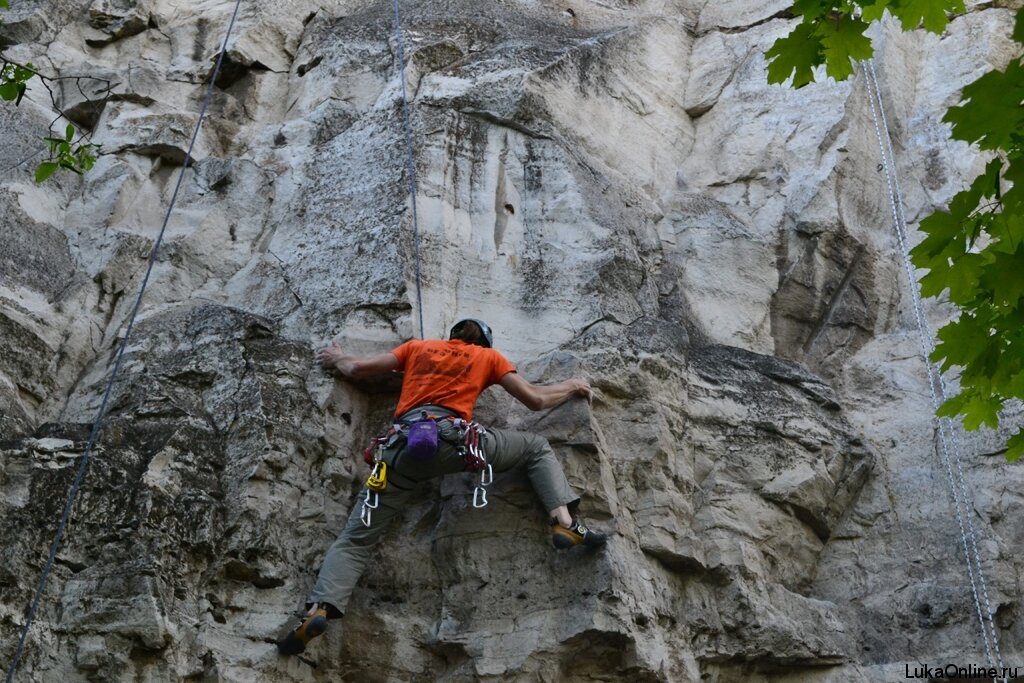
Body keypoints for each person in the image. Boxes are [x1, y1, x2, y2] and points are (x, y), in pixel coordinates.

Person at [276, 319, 607, 655]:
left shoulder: (416, 348)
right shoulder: (488, 358)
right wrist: (570, 386)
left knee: (356, 538)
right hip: (455, 442)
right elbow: (535, 399)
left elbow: (358, 368)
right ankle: (565, 523)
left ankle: (318, 609)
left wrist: (337, 357)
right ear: (486, 343)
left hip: (399, 450)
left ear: (452, 335)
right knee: (535, 447)